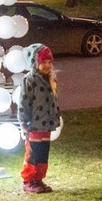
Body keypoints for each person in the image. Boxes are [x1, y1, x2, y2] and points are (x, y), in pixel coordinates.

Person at [16, 43, 61, 193]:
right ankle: (29, 180)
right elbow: (23, 103)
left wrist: (56, 116)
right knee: (33, 154)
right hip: (34, 125)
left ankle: (38, 179)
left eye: (49, 62)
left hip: (46, 124)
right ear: (35, 63)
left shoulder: (50, 80)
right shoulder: (29, 80)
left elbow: (53, 101)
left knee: (43, 153)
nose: (47, 65)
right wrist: (24, 123)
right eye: (44, 62)